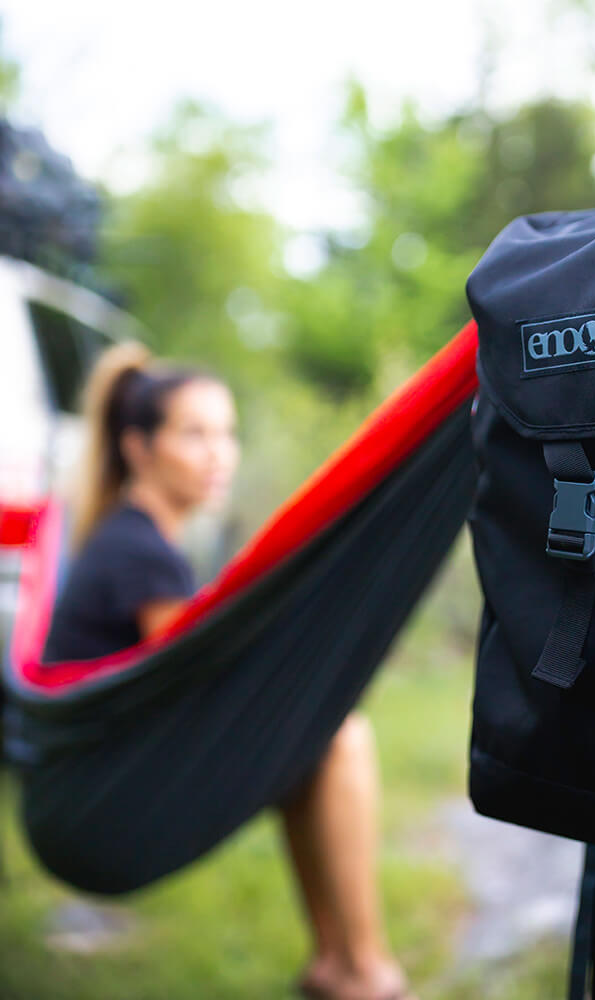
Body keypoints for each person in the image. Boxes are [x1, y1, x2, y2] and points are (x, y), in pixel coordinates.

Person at [42, 342, 417, 1000]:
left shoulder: (131, 539)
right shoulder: (141, 556)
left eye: (227, 434)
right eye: (195, 434)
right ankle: (368, 973)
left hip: (101, 769)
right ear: (139, 447)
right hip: (107, 795)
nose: (220, 454)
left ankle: (340, 965)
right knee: (340, 736)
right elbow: (190, 686)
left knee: (319, 744)